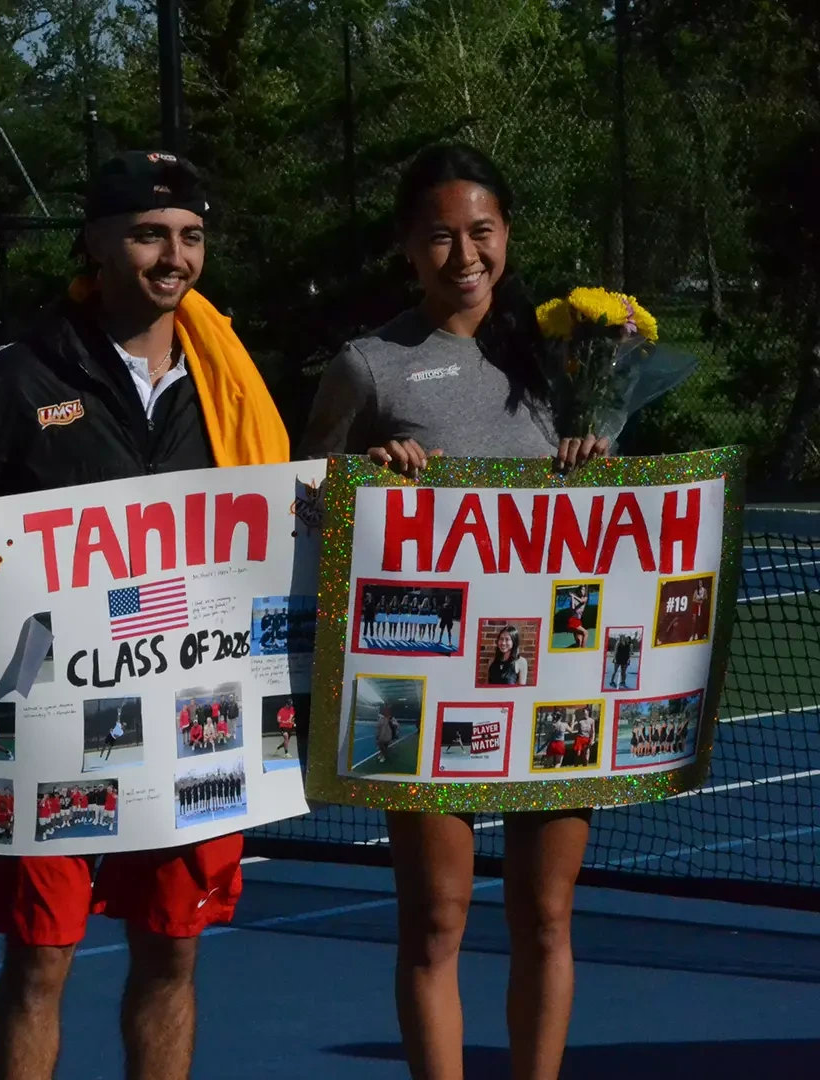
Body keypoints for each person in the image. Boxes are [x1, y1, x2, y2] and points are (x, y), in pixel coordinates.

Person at [0, 149, 289, 1080]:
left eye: (190, 236)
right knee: (39, 961)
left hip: (192, 725)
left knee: (174, 952)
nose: (172, 257)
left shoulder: (235, 386)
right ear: (97, 243)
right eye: (149, 234)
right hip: (48, 730)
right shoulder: (12, 377)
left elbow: (282, 530)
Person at [300, 143, 610, 1080]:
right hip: (423, 681)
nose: (464, 253)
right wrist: (365, 474)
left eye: (481, 231)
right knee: (437, 920)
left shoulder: (564, 358)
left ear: (507, 234)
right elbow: (302, 497)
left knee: (545, 917)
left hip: (556, 677)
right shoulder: (368, 364)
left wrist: (598, 457)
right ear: (408, 246)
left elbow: (608, 521)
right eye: (441, 235)